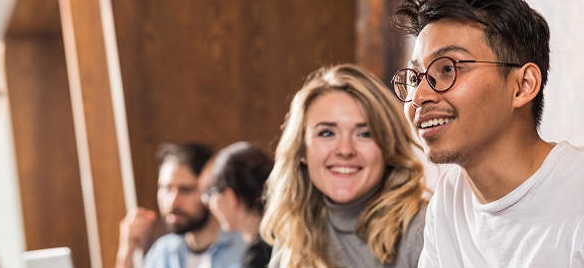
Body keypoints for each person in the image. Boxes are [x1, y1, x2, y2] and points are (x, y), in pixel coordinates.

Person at [390, 0, 584, 268]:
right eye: (414, 78)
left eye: (447, 68)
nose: (420, 96)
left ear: (523, 85)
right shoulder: (449, 200)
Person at [260, 64, 428, 267]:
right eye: (327, 133)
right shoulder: (295, 228)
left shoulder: (421, 230)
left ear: (389, 147)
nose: (345, 149)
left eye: (365, 134)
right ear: (302, 149)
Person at [115, 142, 247, 268]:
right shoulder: (163, 252)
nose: (173, 202)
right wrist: (126, 253)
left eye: (185, 190)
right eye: (166, 188)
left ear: (211, 190)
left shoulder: (244, 248)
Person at [202, 141, 273, 268]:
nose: (208, 204)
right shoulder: (284, 237)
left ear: (230, 197)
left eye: (210, 194)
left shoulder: (258, 258)